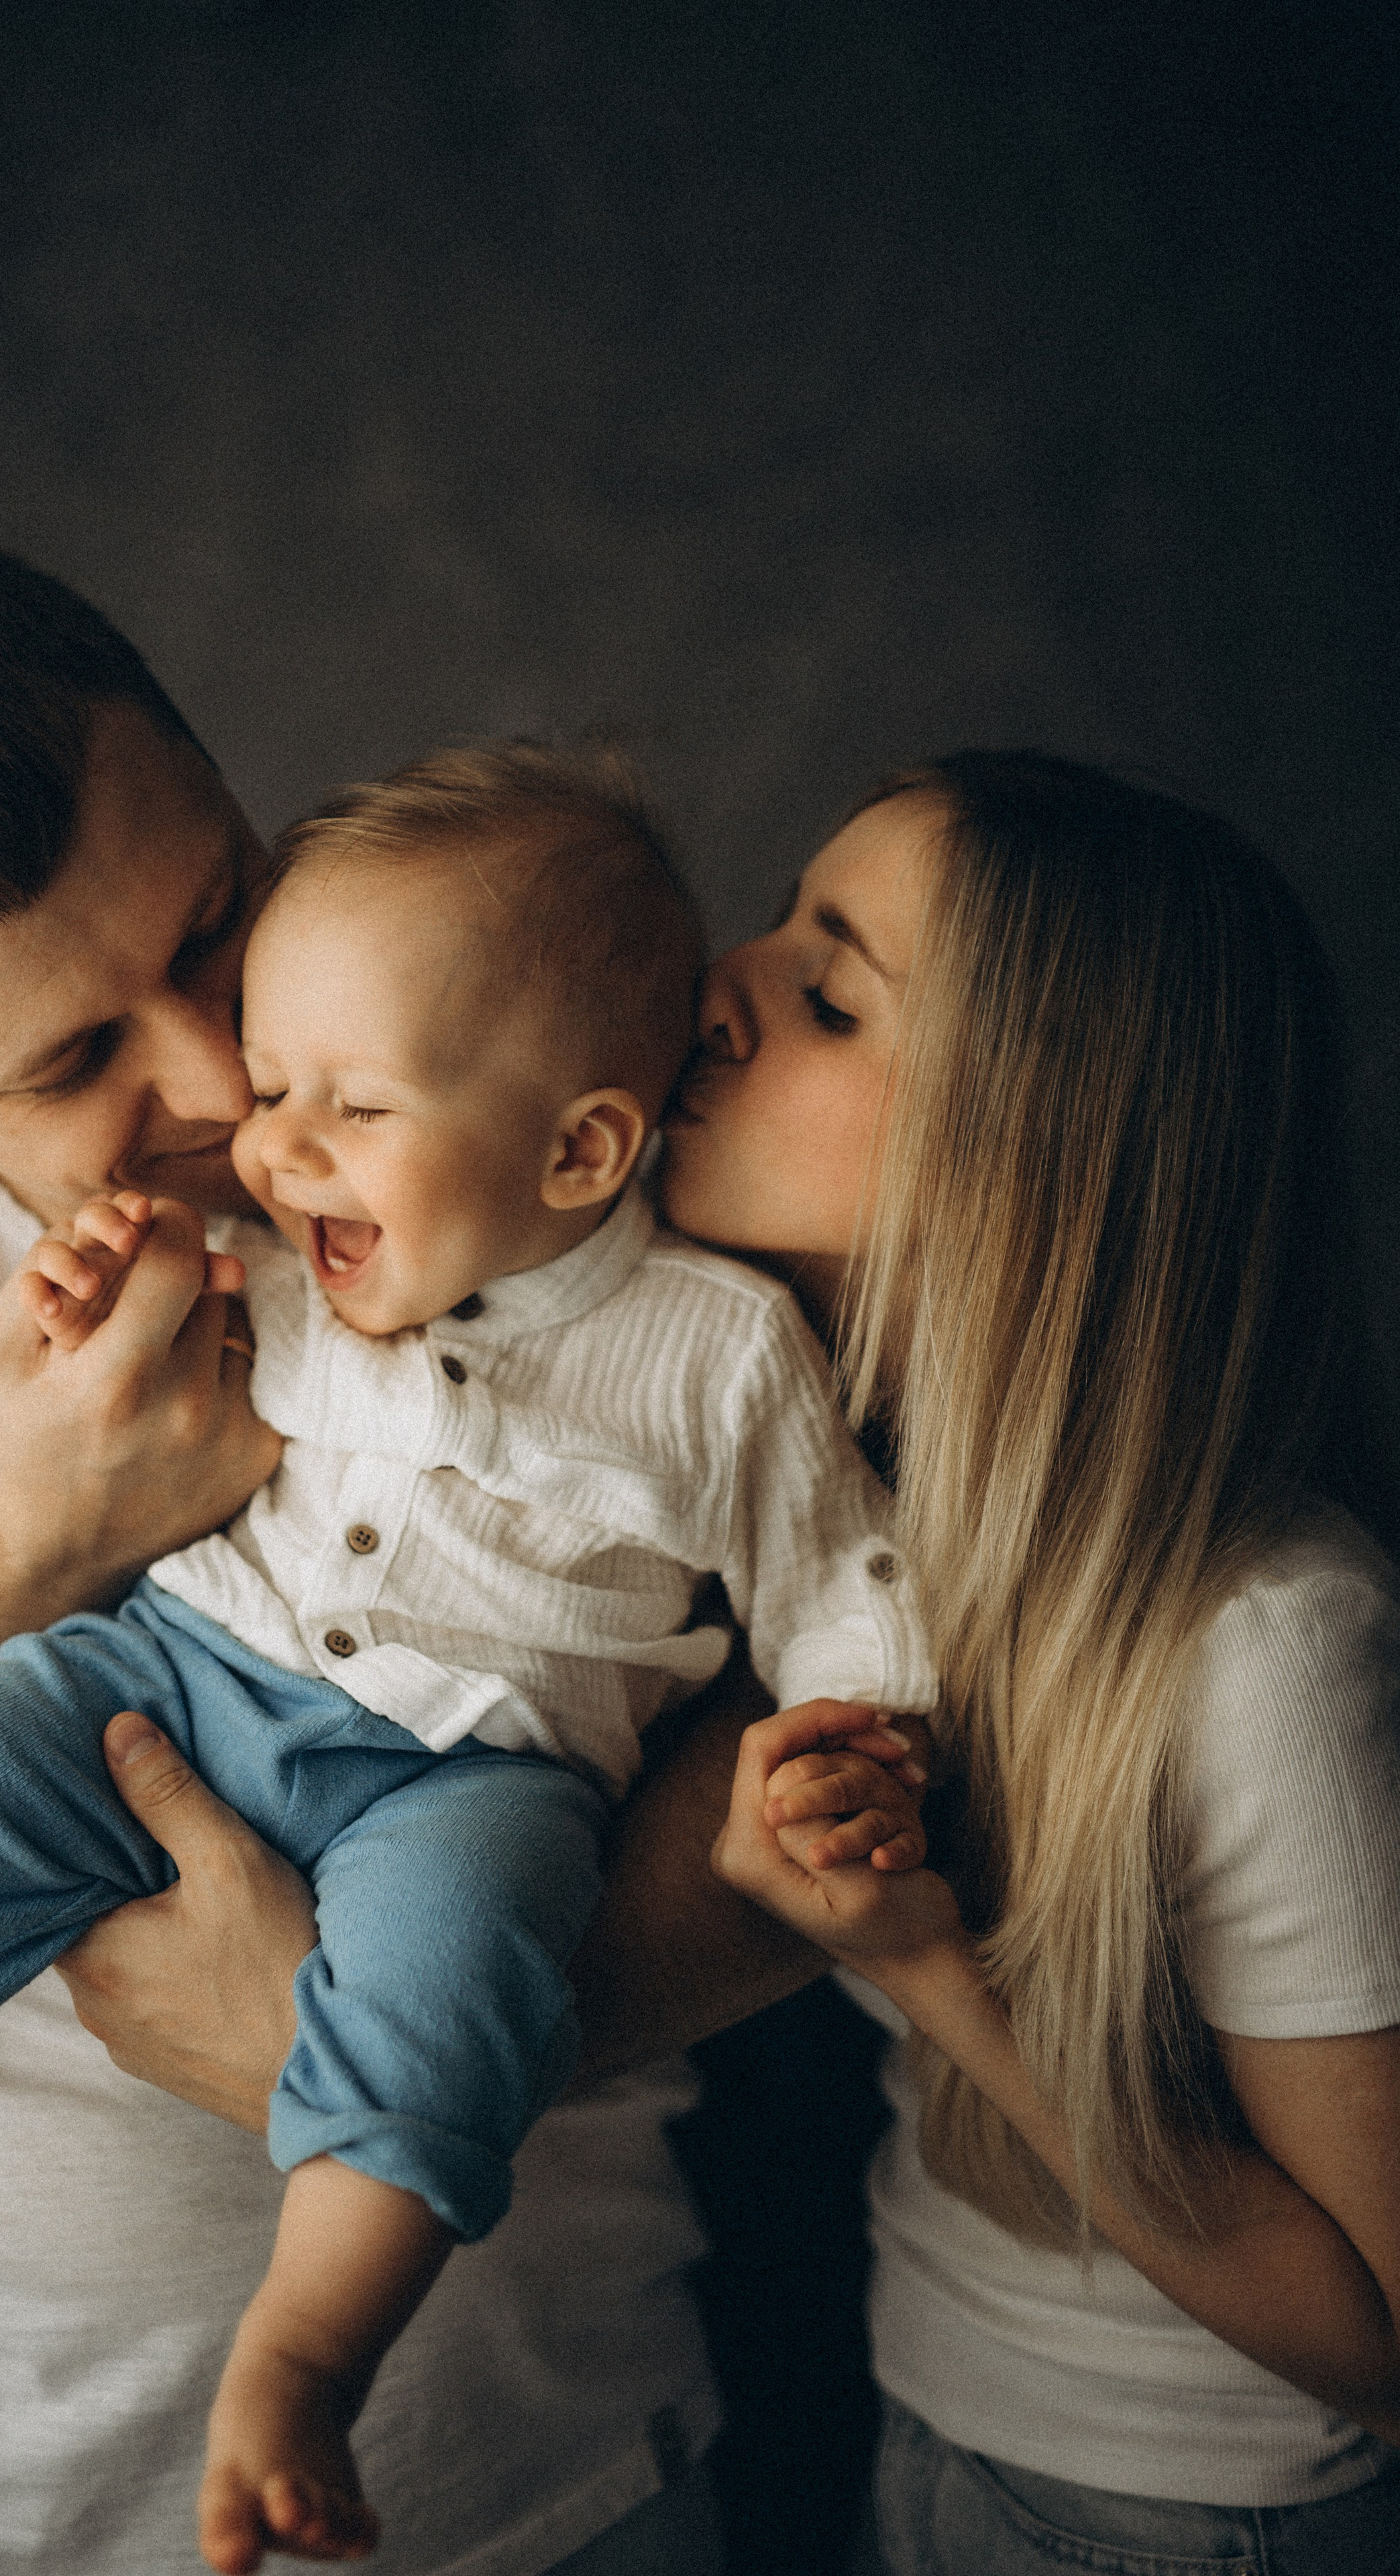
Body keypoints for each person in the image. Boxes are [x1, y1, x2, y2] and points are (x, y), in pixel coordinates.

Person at [0, 541, 830, 2576]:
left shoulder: (546, 1052)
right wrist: (41, 1552)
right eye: (69, 1064)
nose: (228, 1090)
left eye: (213, 919)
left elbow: (882, 1738)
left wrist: (399, 2039)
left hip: (547, 2463)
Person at [687, 754, 1400, 2571]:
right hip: (923, 2431)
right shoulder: (843, 1527)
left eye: (831, 996)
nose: (718, 986)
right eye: (775, 925)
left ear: (1033, 1158)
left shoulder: (1267, 1643)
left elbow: (1386, 2344)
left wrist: (930, 1969)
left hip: (1193, 2518)